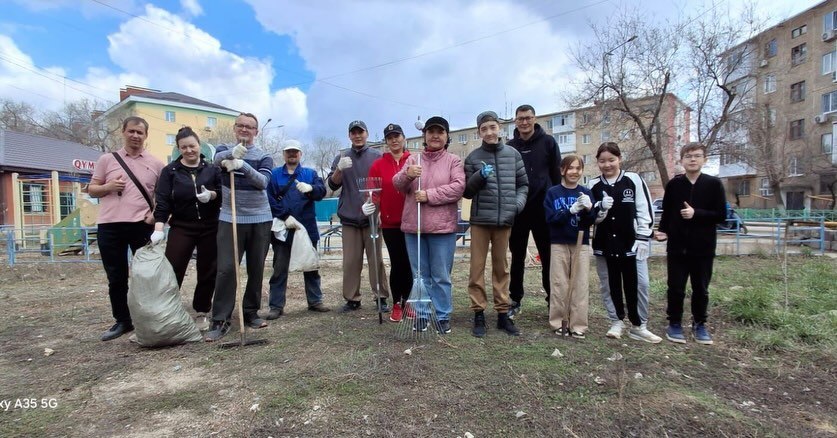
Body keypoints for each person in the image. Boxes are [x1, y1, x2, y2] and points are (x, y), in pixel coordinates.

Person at [88, 116, 164, 341]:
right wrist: (108, 187)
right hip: (110, 225)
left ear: (146, 136)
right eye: (131, 131)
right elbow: (92, 189)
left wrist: (155, 215)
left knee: (146, 276)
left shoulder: (156, 163)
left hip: (141, 225)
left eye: (140, 132)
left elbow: (162, 196)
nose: (135, 136)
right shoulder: (107, 160)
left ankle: (148, 317)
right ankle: (122, 320)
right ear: (123, 132)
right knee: (116, 275)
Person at [205, 113, 274, 342]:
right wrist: (230, 156)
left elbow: (262, 182)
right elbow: (215, 160)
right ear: (235, 128)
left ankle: (250, 312)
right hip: (230, 217)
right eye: (241, 125)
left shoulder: (264, 156)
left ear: (257, 131)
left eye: (250, 127)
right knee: (226, 268)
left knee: (256, 267)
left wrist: (242, 165)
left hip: (259, 218)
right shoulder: (224, 148)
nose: (245, 129)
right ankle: (220, 318)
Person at [392, 116, 465, 334]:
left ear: (446, 136)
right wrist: (407, 174)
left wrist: (429, 195)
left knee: (441, 275)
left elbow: (458, 187)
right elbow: (397, 184)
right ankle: (422, 314)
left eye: (440, 132)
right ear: (424, 135)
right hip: (414, 228)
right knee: (419, 275)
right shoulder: (413, 160)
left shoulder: (454, 161)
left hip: (442, 228)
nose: (435, 135)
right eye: (431, 131)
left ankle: (442, 315)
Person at [463, 111, 528, 338]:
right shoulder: (472, 157)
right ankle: (479, 312)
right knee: (476, 269)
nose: (489, 132)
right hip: (481, 221)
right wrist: (480, 176)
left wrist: (516, 205)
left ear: (499, 127)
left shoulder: (513, 155)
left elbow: (523, 185)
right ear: (479, 131)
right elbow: (468, 191)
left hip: (504, 221)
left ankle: (502, 314)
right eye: (484, 129)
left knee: (502, 269)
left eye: (492, 127)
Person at [151, 126, 222, 331]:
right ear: (178, 149)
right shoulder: (170, 172)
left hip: (210, 226)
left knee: (208, 269)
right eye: (184, 147)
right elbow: (163, 201)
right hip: (182, 226)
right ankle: (167, 310)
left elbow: (223, 194)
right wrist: (158, 228)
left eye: (192, 146)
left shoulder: (212, 170)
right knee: (173, 269)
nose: (189, 150)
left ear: (200, 146)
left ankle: (201, 311)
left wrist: (212, 195)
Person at [655, 142, 727, 345]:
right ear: (681, 160)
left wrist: (697, 214)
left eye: (697, 156)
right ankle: (674, 323)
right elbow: (667, 212)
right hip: (677, 246)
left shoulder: (713, 184)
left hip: (703, 247)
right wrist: (663, 231)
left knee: (701, 288)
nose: (692, 159)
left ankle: (700, 324)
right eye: (688, 156)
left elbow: (721, 215)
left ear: (704, 159)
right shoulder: (675, 185)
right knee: (675, 287)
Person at [590, 142, 661, 343]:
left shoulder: (633, 180)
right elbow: (591, 217)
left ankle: (639, 325)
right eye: (602, 161)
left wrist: (643, 237)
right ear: (597, 162)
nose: (607, 165)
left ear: (619, 159)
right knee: (609, 284)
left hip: (632, 243)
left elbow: (645, 209)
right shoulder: (593, 185)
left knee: (640, 284)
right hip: (605, 244)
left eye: (611, 160)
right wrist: (600, 208)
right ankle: (616, 321)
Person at [327, 120, 390, 313]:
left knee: (376, 259)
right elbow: (332, 185)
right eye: (353, 133)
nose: (357, 135)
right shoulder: (342, 157)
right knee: (351, 262)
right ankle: (352, 298)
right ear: (349, 136)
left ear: (367, 133)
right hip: (350, 218)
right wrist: (339, 169)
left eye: (360, 132)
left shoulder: (377, 156)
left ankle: (381, 297)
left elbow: (384, 186)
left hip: (372, 218)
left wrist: (380, 212)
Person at [264, 140, 330, 319]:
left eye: (295, 152)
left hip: (307, 227)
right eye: (288, 152)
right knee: (279, 267)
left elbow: (321, 192)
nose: (292, 155)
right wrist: (285, 216)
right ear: (284, 155)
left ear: (300, 154)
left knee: (311, 266)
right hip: (283, 227)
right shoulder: (275, 175)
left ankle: (315, 301)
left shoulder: (310, 173)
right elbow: (269, 199)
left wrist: (310, 189)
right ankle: (276, 306)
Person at [506, 104, 562, 319]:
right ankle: (515, 299)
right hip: (519, 210)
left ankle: (552, 300)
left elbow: (556, 176)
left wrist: (555, 203)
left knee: (547, 257)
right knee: (517, 257)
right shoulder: (510, 147)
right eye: (520, 118)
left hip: (543, 210)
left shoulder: (548, 143)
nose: (524, 122)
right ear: (515, 121)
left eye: (528, 118)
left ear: (534, 118)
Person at [544, 155, 596, 338]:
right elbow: (550, 219)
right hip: (559, 242)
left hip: (580, 243)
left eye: (578, 168)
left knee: (580, 284)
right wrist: (570, 211)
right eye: (570, 168)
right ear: (562, 170)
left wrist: (590, 209)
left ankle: (578, 325)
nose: (574, 172)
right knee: (559, 283)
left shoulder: (586, 192)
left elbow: (591, 221)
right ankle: (558, 322)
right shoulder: (553, 193)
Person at [368, 123, 413, 322]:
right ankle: (396, 303)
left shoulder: (412, 160)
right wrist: (370, 206)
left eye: (397, 136)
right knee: (397, 263)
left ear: (404, 138)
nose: (394, 140)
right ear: (386, 142)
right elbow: (373, 193)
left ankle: (408, 303)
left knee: (411, 263)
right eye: (390, 137)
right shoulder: (378, 164)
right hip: (390, 222)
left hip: (412, 221)